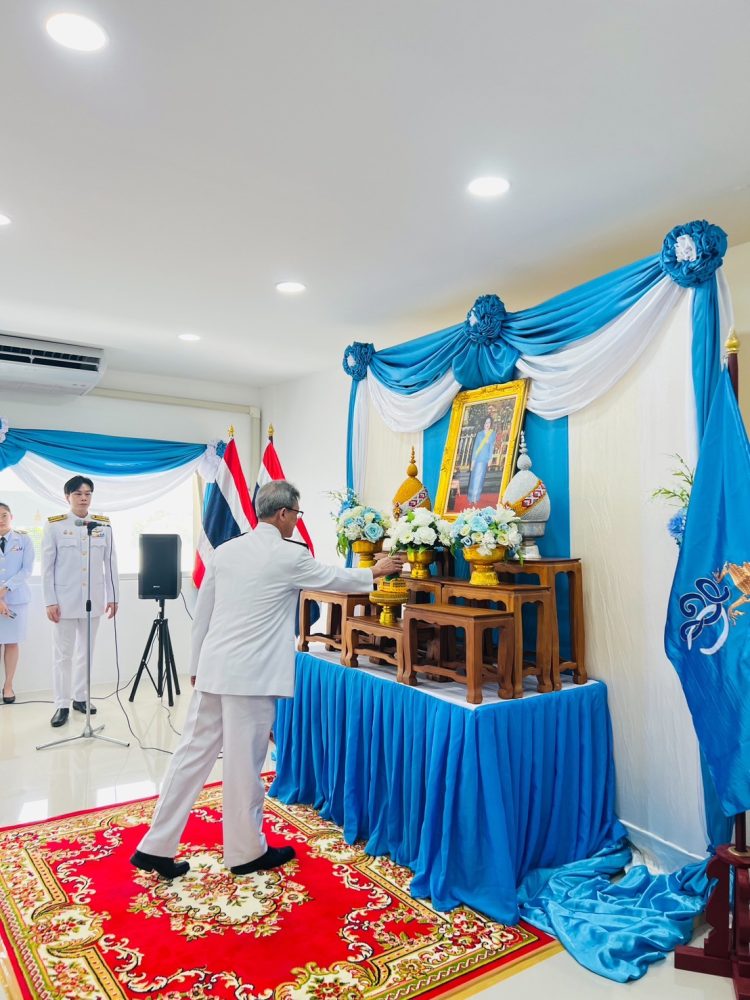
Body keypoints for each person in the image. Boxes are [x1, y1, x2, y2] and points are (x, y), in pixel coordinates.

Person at [132, 479, 405, 880]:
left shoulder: (225, 551)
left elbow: (203, 613)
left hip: (214, 670)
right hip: (252, 677)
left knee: (190, 756)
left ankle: (153, 846)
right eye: (296, 514)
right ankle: (245, 851)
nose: (296, 521)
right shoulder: (289, 555)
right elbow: (333, 578)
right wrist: (376, 572)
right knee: (244, 764)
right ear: (283, 513)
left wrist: (196, 665)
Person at [42, 475, 118, 728]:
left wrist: (113, 597)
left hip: (93, 600)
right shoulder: (54, 525)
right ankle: (62, 704)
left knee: (86, 652)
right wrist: (49, 601)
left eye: (87, 494)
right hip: (63, 601)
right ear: (68, 497)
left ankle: (81, 697)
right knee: (63, 655)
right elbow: (47, 568)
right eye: (78, 494)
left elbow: (110, 564)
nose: (83, 498)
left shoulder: (103, 525)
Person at [0, 503, 35, 704]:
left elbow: (26, 570)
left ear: (11, 517)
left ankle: (8, 686)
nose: (1, 519)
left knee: (12, 643)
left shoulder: (24, 539)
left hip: (16, 600)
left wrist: (4, 590)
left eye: (4, 515)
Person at [467, 416, 496, 504]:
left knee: (480, 479)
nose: (487, 424)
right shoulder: (479, 434)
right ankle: (471, 497)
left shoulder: (492, 434)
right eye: (486, 422)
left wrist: (490, 458)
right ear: (483, 423)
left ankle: (476, 498)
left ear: (491, 424)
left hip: (484, 459)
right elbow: (475, 447)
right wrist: (473, 460)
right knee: (474, 478)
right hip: (477, 459)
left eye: (489, 422)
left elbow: (491, 447)